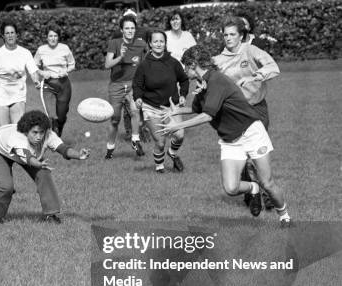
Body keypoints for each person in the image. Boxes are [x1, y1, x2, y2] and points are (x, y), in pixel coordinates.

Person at [157, 45, 291, 228]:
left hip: (251, 132)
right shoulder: (203, 84)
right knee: (231, 188)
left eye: (185, 66)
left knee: (268, 182)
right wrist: (177, 110)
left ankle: (284, 216)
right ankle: (254, 188)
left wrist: (178, 125)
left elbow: (207, 116)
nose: (183, 70)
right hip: (230, 139)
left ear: (193, 64)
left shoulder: (216, 80)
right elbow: (198, 109)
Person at [214, 17, 280, 208]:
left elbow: (273, 67)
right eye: (225, 35)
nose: (228, 38)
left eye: (232, 34)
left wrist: (254, 77)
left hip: (256, 107)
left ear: (241, 35)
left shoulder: (251, 50)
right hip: (234, 113)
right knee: (241, 154)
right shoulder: (219, 60)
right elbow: (211, 80)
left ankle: (265, 192)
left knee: (256, 155)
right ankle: (252, 192)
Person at [0, 110, 90, 224]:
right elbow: (28, 158)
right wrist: (39, 164)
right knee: (6, 186)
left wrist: (79, 155)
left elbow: (63, 149)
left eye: (41, 132)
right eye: (34, 132)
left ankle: (51, 215)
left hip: (24, 155)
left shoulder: (48, 135)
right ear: (26, 131)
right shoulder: (18, 138)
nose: (39, 136)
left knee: (44, 174)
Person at [133, 30, 189, 173]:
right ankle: (159, 167)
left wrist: (183, 94)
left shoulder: (173, 62)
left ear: (165, 43)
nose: (159, 44)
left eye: (161, 41)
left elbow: (184, 79)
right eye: (155, 41)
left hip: (171, 107)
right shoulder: (144, 65)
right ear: (150, 44)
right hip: (151, 107)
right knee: (160, 141)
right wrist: (138, 98)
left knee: (179, 135)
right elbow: (137, 85)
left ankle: (172, 152)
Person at [104, 15, 148, 159]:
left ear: (136, 29)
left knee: (135, 111)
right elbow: (107, 65)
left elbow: (145, 64)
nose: (130, 31)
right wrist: (120, 58)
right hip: (116, 86)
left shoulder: (141, 44)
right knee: (115, 119)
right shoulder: (114, 43)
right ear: (122, 30)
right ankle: (110, 149)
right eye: (127, 28)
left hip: (133, 85)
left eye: (132, 28)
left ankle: (135, 140)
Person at [0, 21, 41, 129]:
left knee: (18, 131)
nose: (10, 35)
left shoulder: (25, 53)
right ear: (3, 36)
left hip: (18, 96)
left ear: (17, 35)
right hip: (0, 97)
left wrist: (36, 81)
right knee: (3, 132)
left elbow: (33, 71)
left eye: (12, 32)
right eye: (7, 33)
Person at [34, 24, 76, 137]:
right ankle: (54, 137)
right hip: (48, 85)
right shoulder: (41, 50)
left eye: (55, 36)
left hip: (64, 85)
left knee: (61, 115)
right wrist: (42, 73)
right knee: (52, 115)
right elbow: (34, 66)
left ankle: (60, 125)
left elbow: (72, 65)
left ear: (58, 37)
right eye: (50, 36)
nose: (53, 38)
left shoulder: (65, 48)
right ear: (47, 37)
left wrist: (66, 71)